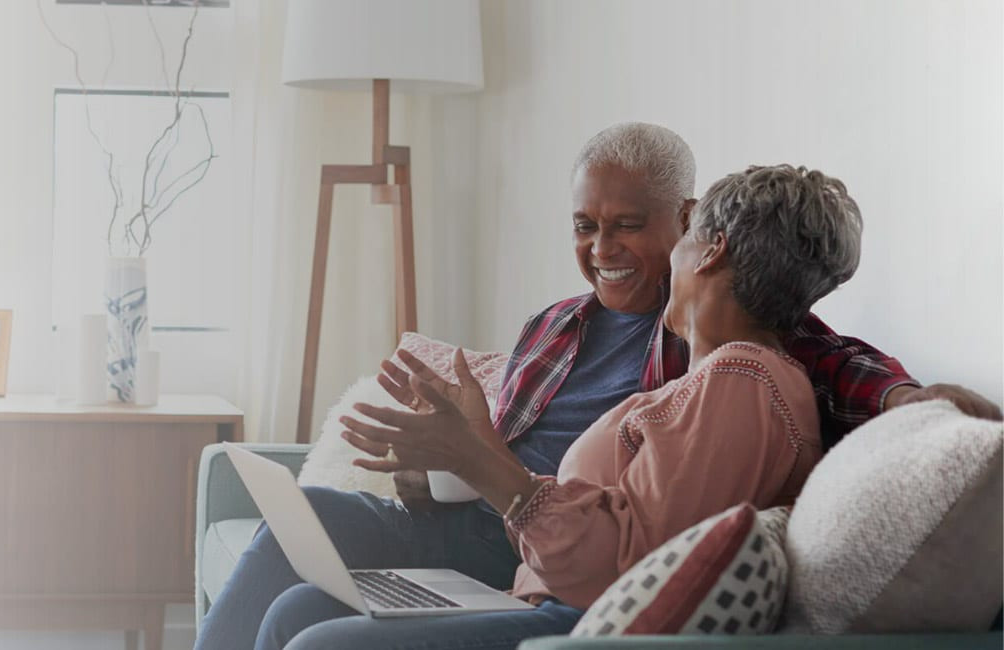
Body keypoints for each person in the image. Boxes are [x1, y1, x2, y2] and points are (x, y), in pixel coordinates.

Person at [193, 124, 1002, 650]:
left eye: (629, 226)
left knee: (310, 628)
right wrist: (439, 458)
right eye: (586, 227)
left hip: (543, 559)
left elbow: (819, 356)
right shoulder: (557, 326)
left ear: (694, 231)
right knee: (300, 542)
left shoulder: (733, 362)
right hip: (492, 530)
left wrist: (908, 404)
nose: (602, 248)